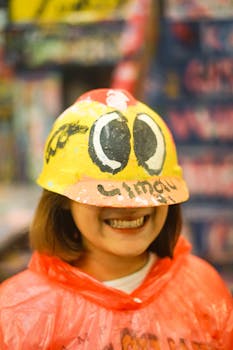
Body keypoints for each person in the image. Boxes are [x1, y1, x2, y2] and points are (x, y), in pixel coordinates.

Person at [0, 88, 232, 350]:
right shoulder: (20, 312)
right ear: (63, 199)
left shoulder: (203, 289)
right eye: (106, 193)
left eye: (144, 192)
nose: (128, 207)